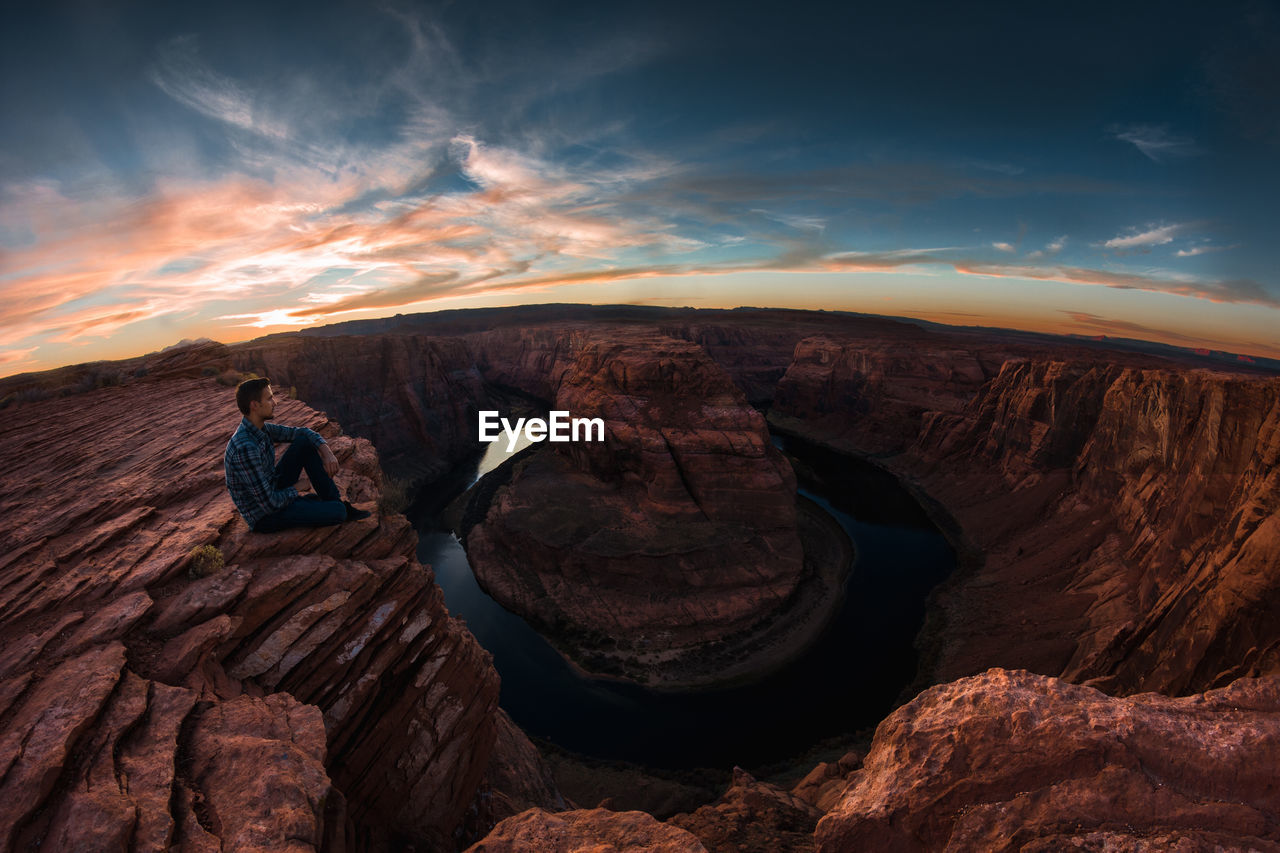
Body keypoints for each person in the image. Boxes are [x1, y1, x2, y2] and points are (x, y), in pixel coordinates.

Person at [224, 377, 371, 533]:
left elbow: (303, 433)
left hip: (273, 488)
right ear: (254, 405)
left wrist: (327, 452)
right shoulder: (245, 447)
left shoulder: (261, 429)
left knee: (303, 443)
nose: (275, 403)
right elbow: (269, 504)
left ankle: (331, 502)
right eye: (269, 399)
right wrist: (296, 488)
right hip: (264, 515)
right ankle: (336, 507)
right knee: (338, 512)